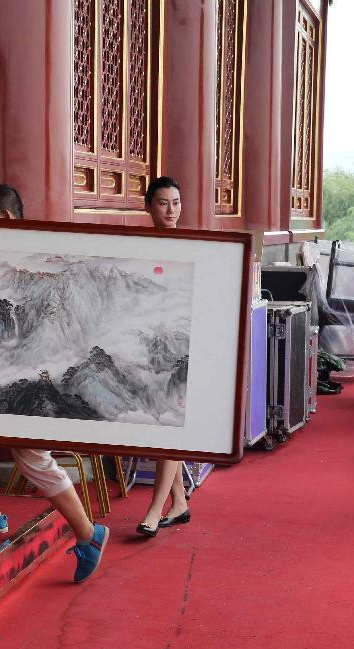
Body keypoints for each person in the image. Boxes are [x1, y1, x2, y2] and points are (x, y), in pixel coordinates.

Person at [0, 184, 109, 584]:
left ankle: (89, 534)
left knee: (32, 456)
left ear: (1, 217)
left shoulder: (38, 256)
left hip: (26, 374)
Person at [135, 176, 191, 537]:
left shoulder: (197, 246)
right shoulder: (136, 246)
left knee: (169, 424)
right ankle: (181, 503)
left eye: (176, 202)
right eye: (162, 203)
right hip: (152, 346)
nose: (171, 211)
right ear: (148, 207)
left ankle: (155, 510)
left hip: (184, 347)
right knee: (160, 421)